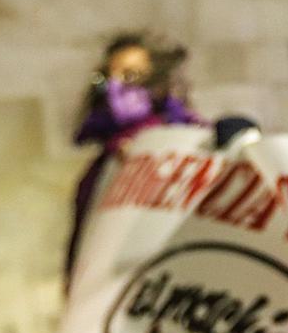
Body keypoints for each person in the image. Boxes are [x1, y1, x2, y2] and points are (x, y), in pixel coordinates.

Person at [66, 32, 200, 285]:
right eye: (108, 77)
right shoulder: (104, 159)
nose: (116, 86)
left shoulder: (186, 141)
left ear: (159, 85)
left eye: (131, 76)